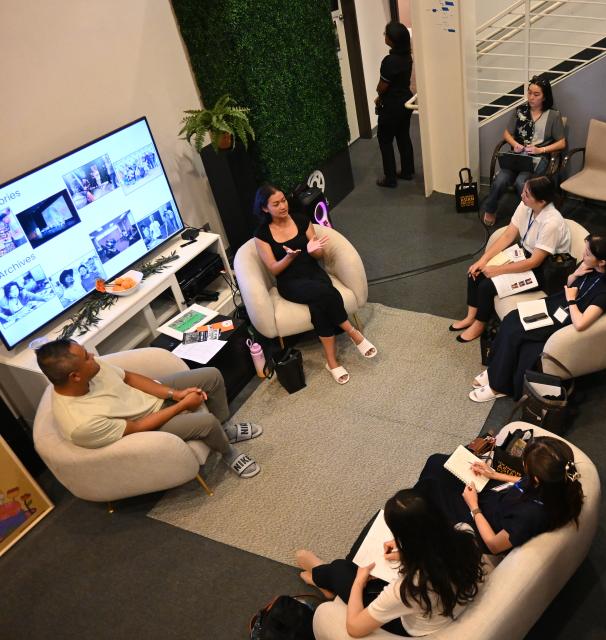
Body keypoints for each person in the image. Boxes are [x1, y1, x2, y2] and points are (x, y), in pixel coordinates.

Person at [35, 339, 263, 478]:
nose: (93, 357)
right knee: (206, 423)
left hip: (147, 398)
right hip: (145, 425)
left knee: (211, 375)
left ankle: (225, 429)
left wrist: (174, 394)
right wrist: (182, 405)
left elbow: (129, 378)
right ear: (75, 376)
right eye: (87, 357)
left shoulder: (89, 368)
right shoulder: (81, 424)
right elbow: (136, 427)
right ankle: (228, 453)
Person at [295, 488, 486, 637]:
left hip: (411, 624)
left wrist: (359, 581)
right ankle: (324, 578)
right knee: (360, 552)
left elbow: (354, 627)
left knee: (341, 568)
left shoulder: (408, 588)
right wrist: (406, 552)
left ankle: (319, 575)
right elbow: (438, 551)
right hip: (441, 603)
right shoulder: (465, 532)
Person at [470, 231, 606, 402]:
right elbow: (569, 284)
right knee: (511, 318)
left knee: (515, 332)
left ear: (602, 262)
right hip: (556, 305)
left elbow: (581, 323)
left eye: (587, 253)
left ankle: (498, 386)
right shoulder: (589, 265)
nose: (583, 254)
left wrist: (571, 300)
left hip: (564, 320)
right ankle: (495, 369)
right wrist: (576, 274)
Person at [252, 183, 377, 384]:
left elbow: (319, 254)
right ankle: (352, 332)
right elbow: (274, 269)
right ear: (265, 209)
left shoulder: (301, 220)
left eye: (283, 200)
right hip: (290, 282)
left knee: (319, 305)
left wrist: (313, 250)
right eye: (276, 204)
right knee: (326, 294)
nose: (283, 206)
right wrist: (289, 257)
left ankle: (332, 362)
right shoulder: (261, 235)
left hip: (313, 273)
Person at [450, 176, 571, 343]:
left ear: (542, 201)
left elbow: (534, 262)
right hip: (524, 253)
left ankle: (479, 324)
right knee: (475, 272)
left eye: (527, 194)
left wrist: (497, 270)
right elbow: (508, 235)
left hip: (544, 268)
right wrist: (483, 260)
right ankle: (471, 317)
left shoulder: (552, 223)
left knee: (486, 286)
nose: (521, 195)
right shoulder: (526, 205)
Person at [414, 436, 583, 554]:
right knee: (438, 462)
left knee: (434, 484)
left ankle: (415, 515)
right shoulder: (559, 484)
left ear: (537, 478)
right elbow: (523, 480)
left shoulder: (530, 516)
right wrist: (494, 474)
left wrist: (474, 507)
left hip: (484, 523)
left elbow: (493, 545)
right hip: (498, 498)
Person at [480, 75, 567, 227]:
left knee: (522, 181)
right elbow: (506, 133)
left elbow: (561, 143)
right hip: (518, 155)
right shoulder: (520, 111)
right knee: (501, 179)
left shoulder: (553, 115)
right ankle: (490, 209)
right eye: (529, 92)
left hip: (538, 157)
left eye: (536, 94)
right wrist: (515, 144)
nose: (531, 97)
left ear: (545, 96)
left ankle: (528, 216)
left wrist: (541, 149)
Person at [374, 22, 414, 188]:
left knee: (384, 139)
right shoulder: (407, 57)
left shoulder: (389, 61)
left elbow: (382, 87)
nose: (384, 36)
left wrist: (378, 94)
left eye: (386, 34)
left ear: (392, 40)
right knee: (403, 136)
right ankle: (407, 171)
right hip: (405, 102)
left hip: (392, 105)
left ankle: (390, 178)